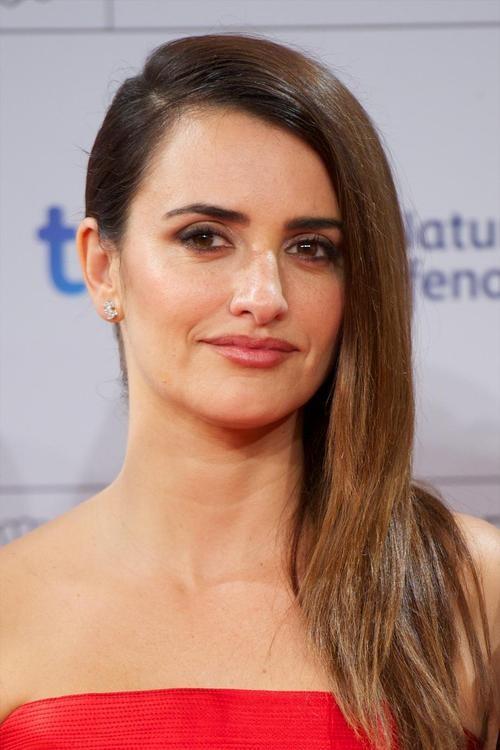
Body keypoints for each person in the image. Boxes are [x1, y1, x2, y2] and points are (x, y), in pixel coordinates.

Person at [0, 33, 498, 750]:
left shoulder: (469, 590)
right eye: (204, 237)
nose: (264, 297)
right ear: (103, 266)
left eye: (311, 248)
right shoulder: (11, 608)